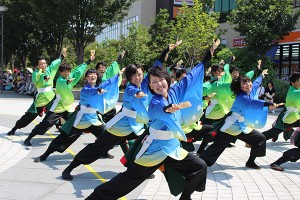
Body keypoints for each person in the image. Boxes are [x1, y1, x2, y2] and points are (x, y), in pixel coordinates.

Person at [85, 40, 217, 200]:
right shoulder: (155, 101)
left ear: (167, 79)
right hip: (153, 150)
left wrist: (205, 59)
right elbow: (157, 110)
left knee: (200, 167)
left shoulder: (175, 91)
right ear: (151, 87)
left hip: (171, 147)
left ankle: (185, 196)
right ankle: (96, 197)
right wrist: (168, 109)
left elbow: (190, 77)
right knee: (128, 180)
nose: (158, 84)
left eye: (160, 80)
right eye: (154, 82)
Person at [34, 68, 120, 162]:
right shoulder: (85, 89)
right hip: (82, 119)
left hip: (94, 118)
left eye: (94, 74)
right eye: (90, 74)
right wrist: (98, 90)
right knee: (64, 138)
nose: (93, 76)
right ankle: (45, 155)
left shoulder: (98, 87)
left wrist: (117, 76)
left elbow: (107, 82)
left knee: (106, 136)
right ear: (86, 78)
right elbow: (93, 91)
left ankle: (104, 152)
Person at [200, 69, 277, 169]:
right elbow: (250, 102)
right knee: (216, 147)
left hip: (242, 126)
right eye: (244, 83)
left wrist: (261, 75)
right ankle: (199, 164)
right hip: (231, 127)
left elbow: (256, 82)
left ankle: (250, 162)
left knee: (260, 139)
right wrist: (267, 103)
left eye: (248, 81)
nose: (248, 84)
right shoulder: (241, 97)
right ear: (240, 87)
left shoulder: (252, 90)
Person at [23, 52, 95, 146]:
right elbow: (62, 83)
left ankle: (66, 131)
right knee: (47, 123)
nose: (67, 73)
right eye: (64, 71)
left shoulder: (69, 76)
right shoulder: (59, 80)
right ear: (60, 72)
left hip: (68, 106)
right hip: (58, 106)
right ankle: (29, 138)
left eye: (68, 71)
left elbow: (78, 70)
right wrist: (67, 81)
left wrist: (88, 61)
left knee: (77, 119)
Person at [7, 51, 65, 136]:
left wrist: (61, 58)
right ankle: (15, 128)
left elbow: (53, 64)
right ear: (37, 66)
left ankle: (61, 127)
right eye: (41, 64)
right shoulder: (35, 74)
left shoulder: (49, 70)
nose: (43, 65)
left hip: (51, 96)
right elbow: (40, 77)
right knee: (30, 115)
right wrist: (44, 77)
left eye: (44, 63)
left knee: (58, 112)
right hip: (40, 98)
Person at [261, 73, 300, 171]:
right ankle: (256, 140)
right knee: (275, 131)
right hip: (289, 120)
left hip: (292, 119)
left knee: (275, 131)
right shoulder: (295, 93)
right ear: (293, 83)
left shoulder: (295, 91)